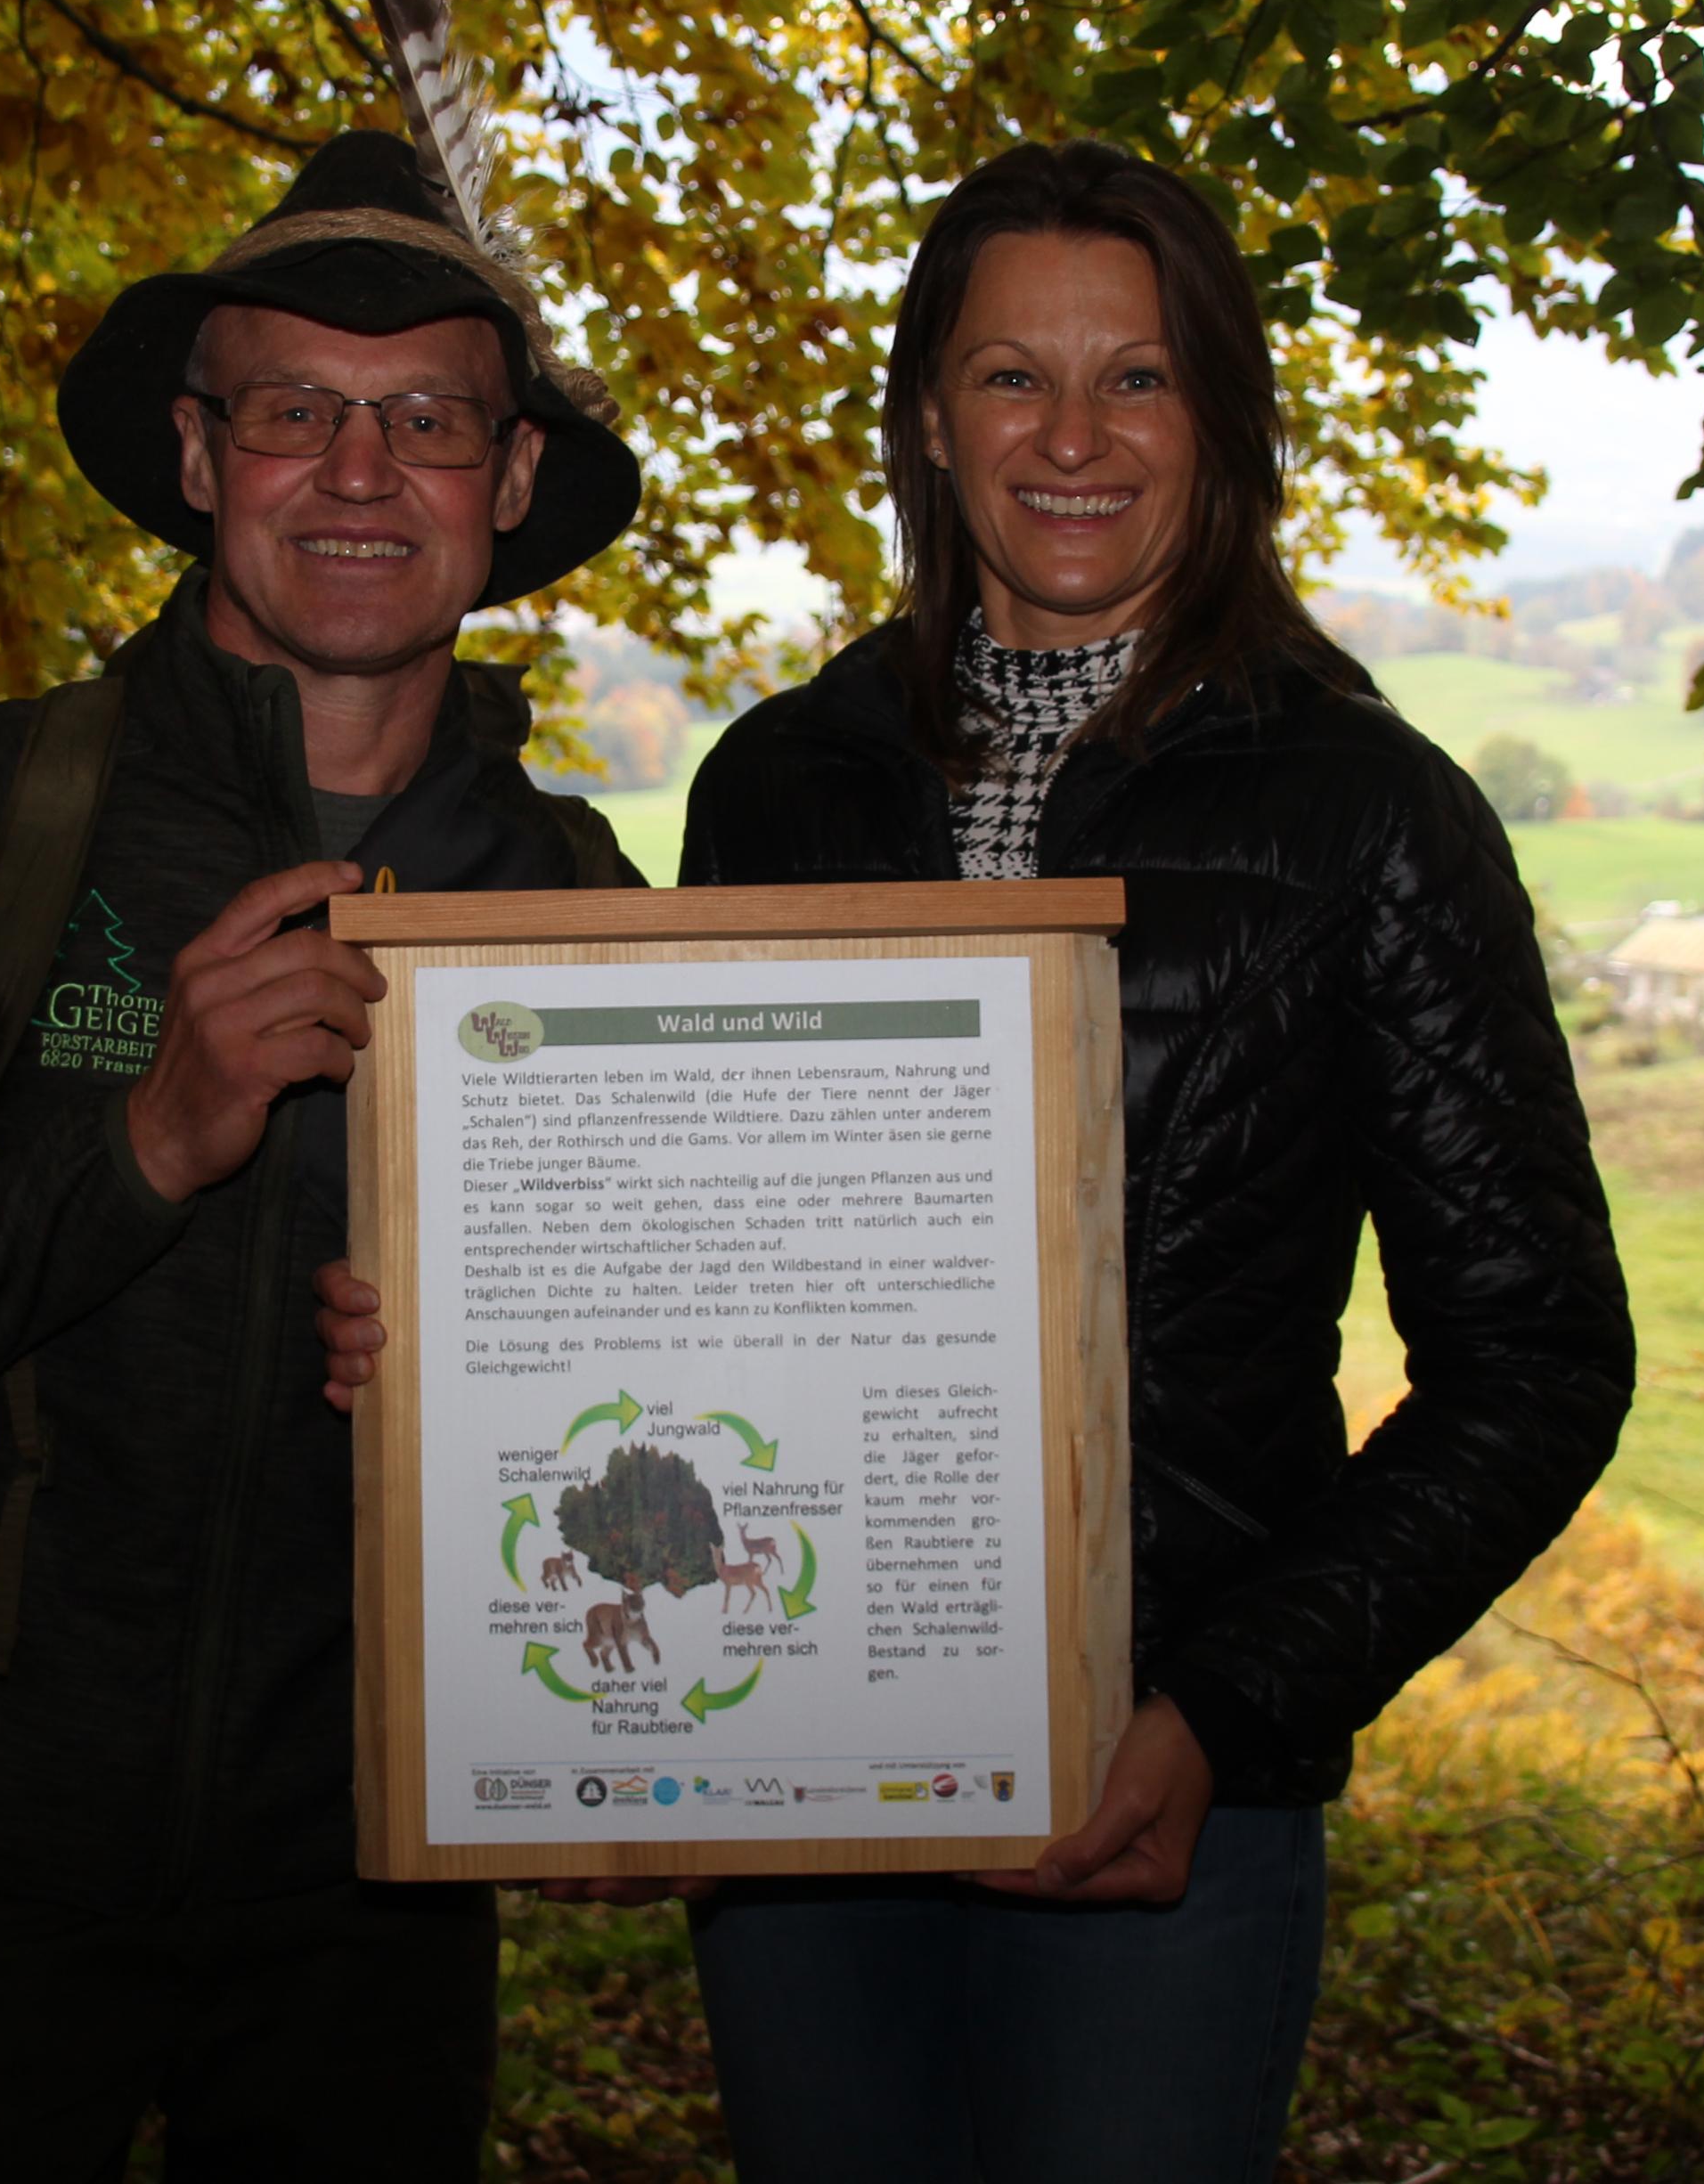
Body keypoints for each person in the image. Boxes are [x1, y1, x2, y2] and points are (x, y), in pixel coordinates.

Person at [0, 125, 645, 2180]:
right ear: (199, 456)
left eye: (425, 422)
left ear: (507, 483)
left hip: (376, 1909)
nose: (359, 473)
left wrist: (630, 1718)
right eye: (293, 411)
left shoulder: (573, 909)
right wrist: (141, 1146)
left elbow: (666, 1408)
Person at [669, 141, 1636, 2179]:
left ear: (1221, 421)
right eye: (1010, 377)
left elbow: (1535, 1361)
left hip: (1167, 1801)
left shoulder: (1370, 815)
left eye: (1138, 378)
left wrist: (1220, 1708)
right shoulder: (773, 786)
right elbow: (696, 1268)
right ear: (928, 422)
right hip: (790, 1765)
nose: (1072, 437)